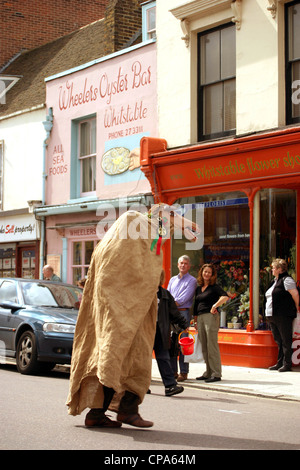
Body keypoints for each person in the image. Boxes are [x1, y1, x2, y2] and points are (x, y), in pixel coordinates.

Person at [66, 204, 200, 429]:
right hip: (117, 307)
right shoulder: (132, 222)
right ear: (160, 217)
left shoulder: (152, 237)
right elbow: (116, 267)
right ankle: (97, 412)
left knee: (137, 356)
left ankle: (127, 410)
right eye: (170, 219)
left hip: (139, 307)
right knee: (113, 353)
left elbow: (150, 272)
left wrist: (182, 226)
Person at [154, 270, 189, 396]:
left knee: (163, 357)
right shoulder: (142, 292)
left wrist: (184, 325)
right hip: (144, 332)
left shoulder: (165, 294)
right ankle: (141, 386)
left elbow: (174, 313)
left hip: (160, 330)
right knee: (142, 360)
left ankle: (170, 386)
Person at [193, 263, 229, 383]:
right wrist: (195, 319)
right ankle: (208, 372)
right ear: (201, 273)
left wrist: (215, 305)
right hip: (201, 317)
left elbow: (225, 297)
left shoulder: (214, 287)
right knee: (204, 346)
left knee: (211, 345)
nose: (206, 274)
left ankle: (216, 373)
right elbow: (196, 305)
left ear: (212, 275)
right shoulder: (199, 288)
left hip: (210, 317)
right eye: (205, 272)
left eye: (209, 272)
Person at [265, 258, 299, 372]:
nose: (272, 270)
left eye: (273, 268)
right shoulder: (274, 281)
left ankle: (287, 364)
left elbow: (295, 295)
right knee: (278, 340)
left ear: (279, 269)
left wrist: (297, 307)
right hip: (272, 315)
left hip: (283, 314)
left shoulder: (287, 280)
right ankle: (279, 363)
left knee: (286, 340)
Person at [167, 255, 197, 381]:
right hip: (171, 314)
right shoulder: (172, 280)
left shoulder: (192, 281)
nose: (183, 265)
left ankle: (184, 372)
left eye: (185, 263)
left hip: (183, 313)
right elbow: (167, 295)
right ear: (177, 265)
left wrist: (170, 303)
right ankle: (173, 372)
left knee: (183, 343)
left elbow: (183, 299)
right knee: (172, 343)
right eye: (181, 263)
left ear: (189, 266)